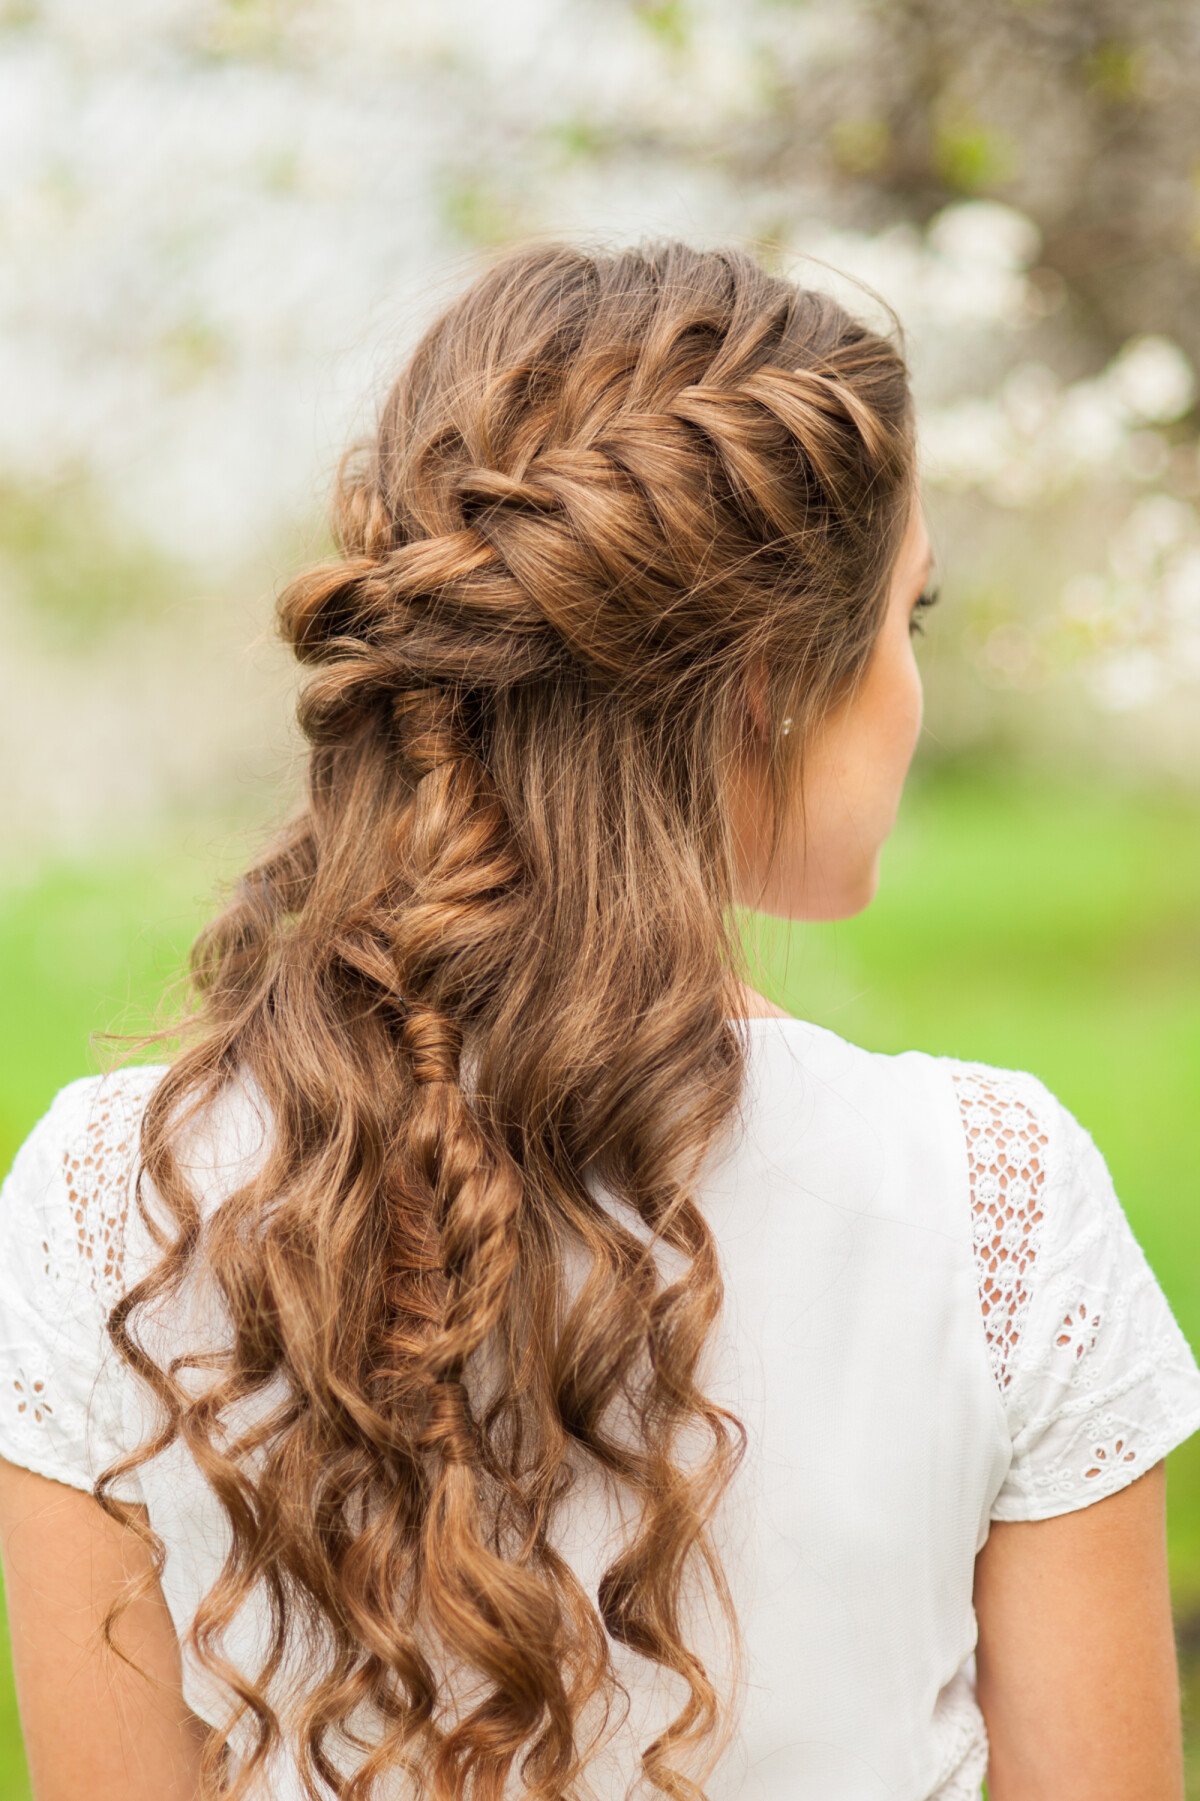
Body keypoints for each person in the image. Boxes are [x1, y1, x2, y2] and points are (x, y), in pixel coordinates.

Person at [0, 238, 1198, 1801]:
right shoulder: (997, 1201)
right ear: (767, 682)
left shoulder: (117, 1207)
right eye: (912, 618)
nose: (914, 687)